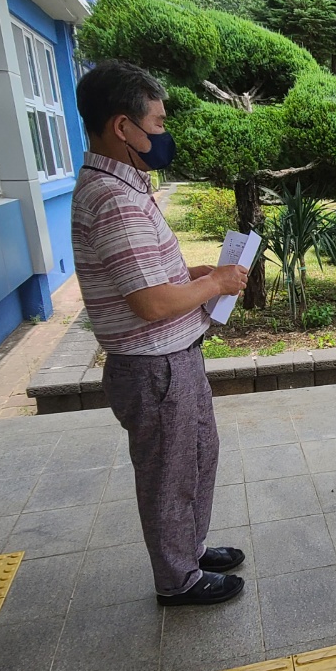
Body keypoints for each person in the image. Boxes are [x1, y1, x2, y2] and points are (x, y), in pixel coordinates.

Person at [71, 61, 250, 607]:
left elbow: (150, 279)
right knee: (169, 474)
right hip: (154, 366)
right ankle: (178, 580)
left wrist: (189, 277)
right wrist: (216, 279)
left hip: (174, 359)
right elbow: (148, 303)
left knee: (197, 455)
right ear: (122, 127)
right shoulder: (113, 199)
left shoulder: (126, 187)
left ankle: (189, 551)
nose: (162, 135)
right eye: (156, 123)